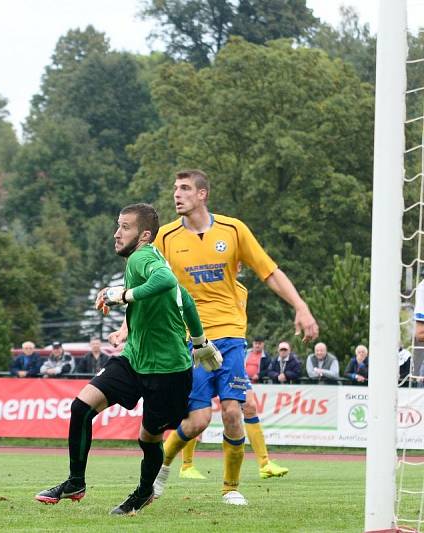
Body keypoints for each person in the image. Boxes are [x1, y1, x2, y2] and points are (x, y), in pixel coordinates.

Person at [142, 170, 318, 504]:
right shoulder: (165, 237)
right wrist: (128, 325)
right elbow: (149, 284)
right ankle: (159, 473)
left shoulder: (234, 230)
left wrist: (301, 306)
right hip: (189, 340)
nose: (176, 195)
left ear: (202, 194)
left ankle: (231, 489)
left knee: (234, 410)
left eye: (184, 188)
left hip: (230, 336)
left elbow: (270, 272)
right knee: (196, 422)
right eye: (174, 189)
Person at [36, 203, 221, 516]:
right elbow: (185, 300)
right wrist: (200, 341)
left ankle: (142, 493)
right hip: (134, 358)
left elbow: (164, 281)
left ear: (144, 234)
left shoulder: (143, 256)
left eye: (125, 227)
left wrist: (121, 295)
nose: (116, 233)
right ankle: (75, 482)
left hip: (168, 369)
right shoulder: (143, 259)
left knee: (148, 437)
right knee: (82, 407)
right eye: (117, 225)